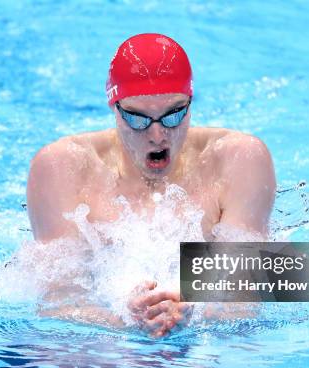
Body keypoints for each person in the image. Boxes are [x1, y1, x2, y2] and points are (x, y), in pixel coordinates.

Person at [26, 33, 276, 337]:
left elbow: (247, 297)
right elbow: (57, 303)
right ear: (114, 108)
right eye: (138, 119)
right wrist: (124, 320)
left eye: (173, 115)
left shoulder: (239, 159)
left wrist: (196, 310)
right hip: (105, 343)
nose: (157, 135)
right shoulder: (62, 167)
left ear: (191, 102)